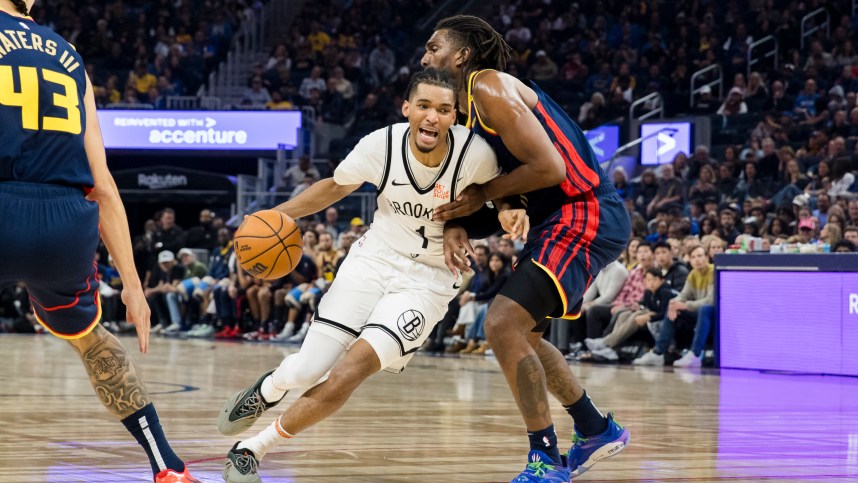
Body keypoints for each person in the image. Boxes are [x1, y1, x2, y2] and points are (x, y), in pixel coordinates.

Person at [216, 68, 519, 482]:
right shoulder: (381, 145)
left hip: (428, 281)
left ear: (455, 116)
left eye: (444, 110)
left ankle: (253, 448)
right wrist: (277, 215)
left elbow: (500, 191)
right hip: (373, 259)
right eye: (425, 106)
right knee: (308, 369)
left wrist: (508, 211)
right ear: (407, 108)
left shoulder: (476, 154)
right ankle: (266, 391)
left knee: (350, 370)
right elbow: (335, 187)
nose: (433, 117)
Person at [422, 15, 631, 481]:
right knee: (525, 336)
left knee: (500, 323)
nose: (424, 56)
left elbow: (551, 167)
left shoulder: (488, 86)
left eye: (434, 47)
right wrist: (468, 216)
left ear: (461, 55)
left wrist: (482, 196)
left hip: (584, 210)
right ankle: (596, 428)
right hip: (558, 217)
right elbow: (509, 177)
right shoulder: (467, 108)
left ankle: (544, 458)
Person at [0, 2, 199, 482]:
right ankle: (167, 465)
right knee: (93, 343)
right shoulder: (69, 56)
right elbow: (103, 182)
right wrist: (131, 283)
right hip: (66, 223)